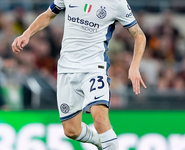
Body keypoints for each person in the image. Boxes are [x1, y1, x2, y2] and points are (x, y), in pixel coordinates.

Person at [12, 0, 147, 149]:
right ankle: (100, 142)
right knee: (71, 131)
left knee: (100, 120)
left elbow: (139, 35)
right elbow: (49, 14)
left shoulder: (116, 3)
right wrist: (27, 33)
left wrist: (134, 66)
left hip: (94, 67)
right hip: (66, 68)